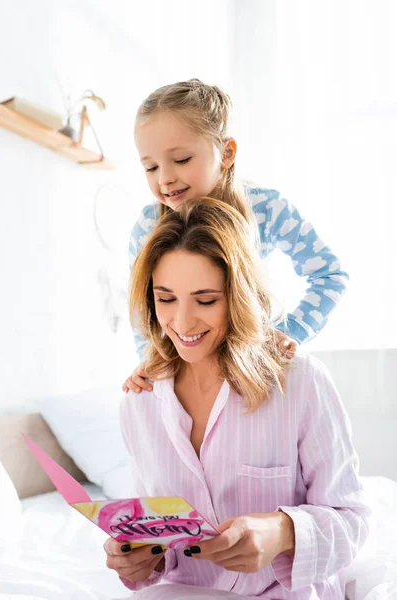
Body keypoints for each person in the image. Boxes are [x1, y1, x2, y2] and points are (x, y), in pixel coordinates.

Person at [105, 198, 368, 599]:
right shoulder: (138, 403)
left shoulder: (299, 383)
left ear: (239, 295)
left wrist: (282, 533)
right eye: (166, 298)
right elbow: (165, 539)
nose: (183, 322)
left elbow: (354, 522)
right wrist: (142, 558)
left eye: (206, 300)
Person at [123, 78, 349, 394]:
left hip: (250, 372)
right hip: (186, 379)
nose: (165, 178)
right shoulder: (148, 225)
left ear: (227, 152)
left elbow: (331, 274)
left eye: (182, 159)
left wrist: (288, 332)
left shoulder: (266, 207)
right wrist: (150, 360)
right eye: (150, 167)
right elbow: (140, 307)